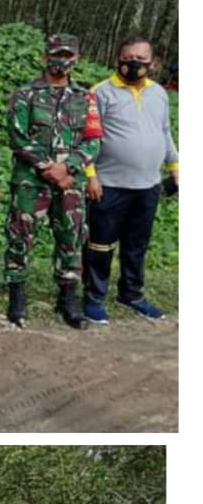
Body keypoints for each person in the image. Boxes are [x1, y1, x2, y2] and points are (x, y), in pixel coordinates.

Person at [5, 33, 103, 329]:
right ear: (45, 57)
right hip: (31, 181)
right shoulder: (25, 94)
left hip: (70, 183)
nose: (62, 60)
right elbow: (17, 137)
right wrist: (49, 168)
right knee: (20, 237)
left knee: (71, 239)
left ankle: (68, 298)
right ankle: (17, 296)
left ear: (76, 60)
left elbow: (93, 141)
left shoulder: (85, 97)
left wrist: (68, 168)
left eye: (67, 55)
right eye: (56, 54)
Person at [82, 36, 179, 323]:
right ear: (118, 59)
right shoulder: (100, 92)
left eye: (141, 59)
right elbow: (87, 138)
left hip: (148, 185)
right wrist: (90, 175)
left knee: (137, 244)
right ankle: (94, 297)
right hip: (109, 184)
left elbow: (164, 132)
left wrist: (175, 165)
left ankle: (132, 294)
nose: (134, 63)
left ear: (153, 63)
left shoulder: (159, 93)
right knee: (100, 244)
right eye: (128, 58)